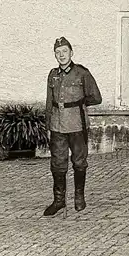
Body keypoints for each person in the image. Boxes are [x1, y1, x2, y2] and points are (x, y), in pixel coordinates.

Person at [43, 36, 102, 216]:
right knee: (58, 163)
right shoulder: (53, 74)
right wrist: (47, 126)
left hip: (77, 124)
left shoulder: (81, 73)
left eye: (65, 52)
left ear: (71, 53)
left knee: (79, 162)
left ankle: (79, 198)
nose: (61, 56)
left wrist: (79, 103)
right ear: (55, 55)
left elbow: (96, 97)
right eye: (58, 53)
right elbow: (49, 102)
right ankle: (59, 201)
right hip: (57, 125)